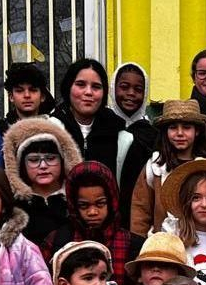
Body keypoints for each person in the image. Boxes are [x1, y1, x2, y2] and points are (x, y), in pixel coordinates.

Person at [53, 58, 151, 222]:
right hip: (58, 231)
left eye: (96, 87)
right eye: (81, 84)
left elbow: (129, 200)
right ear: (68, 87)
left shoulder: (122, 139)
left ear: (105, 93)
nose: (89, 92)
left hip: (107, 234)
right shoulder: (50, 131)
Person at [47, 160, 142, 285]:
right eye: (84, 206)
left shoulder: (132, 244)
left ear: (112, 202)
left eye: (100, 204)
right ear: (74, 206)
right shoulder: (57, 241)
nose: (92, 212)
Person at [131, 99, 206, 237]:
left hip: (200, 243)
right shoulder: (155, 166)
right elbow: (140, 209)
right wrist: (138, 243)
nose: (179, 133)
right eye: (173, 127)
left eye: (187, 127)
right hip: (163, 246)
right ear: (165, 131)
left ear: (197, 131)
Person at [2, 116, 83, 250]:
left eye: (50, 158)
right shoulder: (12, 207)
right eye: (34, 160)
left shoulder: (77, 200)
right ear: (22, 165)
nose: (43, 166)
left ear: (63, 161)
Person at [2, 61, 60, 127]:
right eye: (20, 91)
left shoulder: (57, 128)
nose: (27, 95)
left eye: (33, 90)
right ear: (11, 96)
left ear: (42, 96)